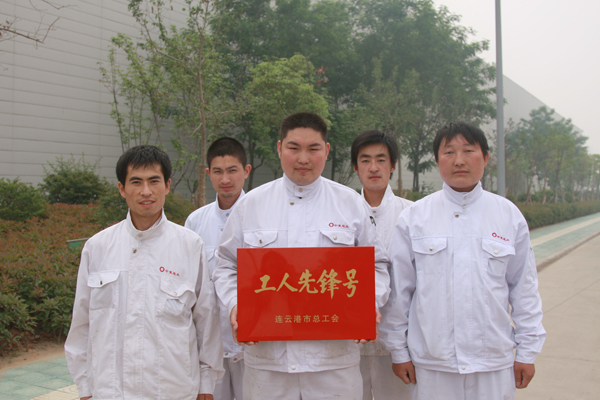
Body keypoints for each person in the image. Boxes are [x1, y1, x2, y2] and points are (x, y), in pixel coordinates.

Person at [213, 112, 391, 400]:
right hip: (269, 364)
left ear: (327, 150)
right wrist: (236, 304)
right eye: (294, 148)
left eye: (313, 148)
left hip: (332, 363)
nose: (303, 158)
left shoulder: (350, 204)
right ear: (279, 148)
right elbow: (226, 265)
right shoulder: (252, 205)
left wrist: (369, 302)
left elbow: (377, 265)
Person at [379, 122, 546, 400]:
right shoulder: (415, 218)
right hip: (433, 364)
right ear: (437, 160)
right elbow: (399, 292)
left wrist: (527, 352)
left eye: (469, 151)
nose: (459, 160)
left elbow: (524, 289)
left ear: (486, 157)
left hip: (493, 364)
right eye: (449, 152)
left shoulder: (508, 216)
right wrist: (398, 351)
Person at [65, 145, 224, 400]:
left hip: (173, 391)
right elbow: (82, 323)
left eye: (154, 181)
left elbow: (206, 321)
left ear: (167, 185)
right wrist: (84, 387)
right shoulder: (97, 248)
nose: (146, 191)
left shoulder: (190, 245)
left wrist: (206, 383)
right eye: (136, 182)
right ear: (122, 188)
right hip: (110, 392)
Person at [185, 137, 252, 400]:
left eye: (232, 170)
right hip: (210, 345)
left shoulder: (261, 216)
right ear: (208, 173)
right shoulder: (195, 222)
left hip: (253, 343)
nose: (225, 179)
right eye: (218, 171)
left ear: (246, 171)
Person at [350, 130, 413, 400]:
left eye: (381, 160)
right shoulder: (341, 215)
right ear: (355, 167)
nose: (373, 167)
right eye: (365, 160)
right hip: (350, 342)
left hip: (398, 344)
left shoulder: (412, 214)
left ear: (393, 165)